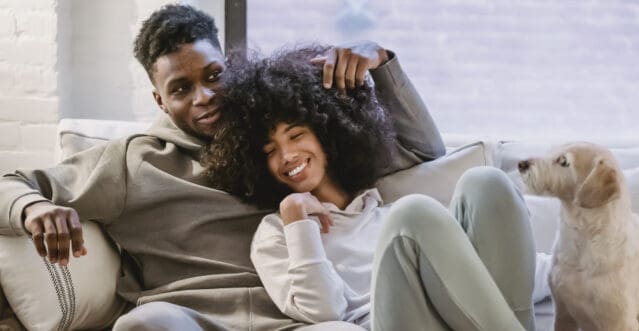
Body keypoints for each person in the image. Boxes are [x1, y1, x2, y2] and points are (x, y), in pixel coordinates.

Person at [0, 4, 444, 331]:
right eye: (181, 88)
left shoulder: (280, 147)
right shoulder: (131, 161)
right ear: (160, 100)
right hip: (185, 316)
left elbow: (423, 151)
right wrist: (31, 208)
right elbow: (10, 183)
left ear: (230, 67)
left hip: (292, 317)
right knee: (144, 326)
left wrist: (380, 64)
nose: (204, 97)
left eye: (213, 76)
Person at [202, 45, 538, 331]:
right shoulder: (276, 232)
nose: (287, 155)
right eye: (269, 151)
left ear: (326, 132)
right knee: (413, 215)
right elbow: (324, 312)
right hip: (390, 323)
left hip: (461, 315)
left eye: (296, 135)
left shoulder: (382, 207)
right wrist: (297, 220)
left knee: (486, 182)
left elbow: (428, 148)